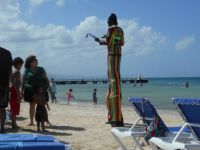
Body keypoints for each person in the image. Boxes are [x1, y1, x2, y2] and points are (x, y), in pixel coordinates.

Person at [95, 13, 124, 127]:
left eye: (108, 21)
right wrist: (105, 40)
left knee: (113, 82)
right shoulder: (120, 30)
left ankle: (115, 118)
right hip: (118, 55)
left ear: (110, 21)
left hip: (112, 55)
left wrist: (100, 40)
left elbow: (109, 42)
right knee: (115, 81)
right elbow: (121, 42)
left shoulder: (111, 29)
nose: (107, 23)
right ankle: (115, 116)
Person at [23, 55, 51, 126]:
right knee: (32, 106)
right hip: (30, 91)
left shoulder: (41, 69)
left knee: (42, 106)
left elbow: (46, 78)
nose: (35, 61)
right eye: (33, 60)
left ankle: (45, 120)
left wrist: (47, 88)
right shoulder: (27, 71)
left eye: (36, 60)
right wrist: (21, 91)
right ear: (29, 62)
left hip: (41, 91)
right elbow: (23, 81)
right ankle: (32, 121)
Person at [0, 47, 13, 133]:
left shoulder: (7, 53)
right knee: (2, 108)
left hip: (4, 85)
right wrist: (9, 82)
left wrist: (9, 82)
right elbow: (10, 70)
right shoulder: (7, 52)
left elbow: (10, 69)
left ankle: (2, 128)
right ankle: (2, 128)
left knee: (2, 108)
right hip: (4, 85)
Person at [10, 57, 24, 129]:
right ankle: (14, 124)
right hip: (15, 91)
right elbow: (15, 83)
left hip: (11, 91)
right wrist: (19, 94)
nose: (21, 66)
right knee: (15, 108)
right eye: (21, 65)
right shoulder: (17, 71)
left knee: (13, 108)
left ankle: (14, 123)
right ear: (18, 64)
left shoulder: (12, 71)